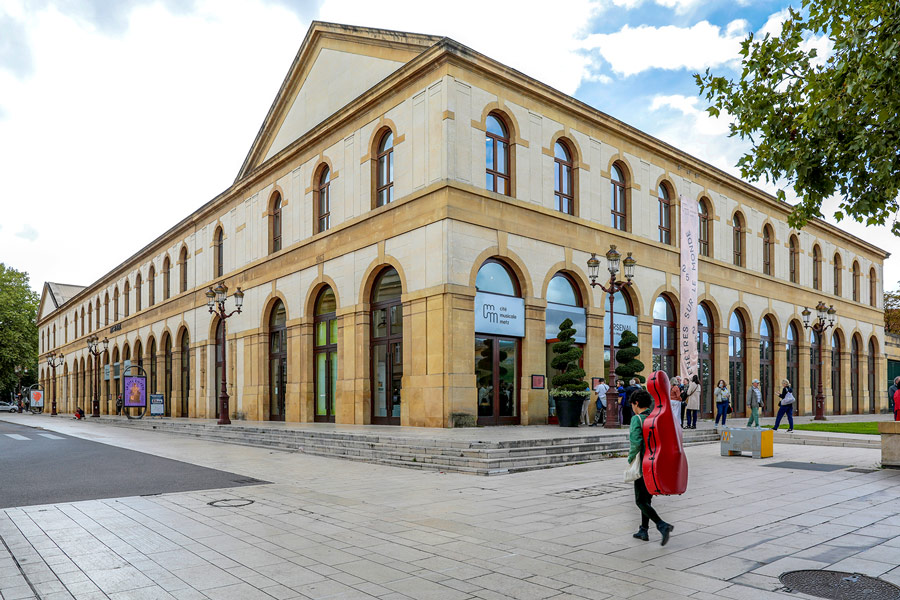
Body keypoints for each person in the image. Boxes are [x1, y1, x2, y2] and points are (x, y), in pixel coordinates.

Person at [628, 389, 674, 545]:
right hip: (656, 463)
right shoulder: (655, 417)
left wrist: (630, 459)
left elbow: (635, 443)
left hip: (643, 463)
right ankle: (643, 530)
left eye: (632, 404)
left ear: (636, 403)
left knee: (640, 501)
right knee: (647, 499)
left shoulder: (637, 419)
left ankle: (662, 525)